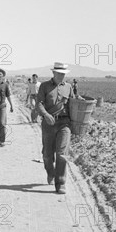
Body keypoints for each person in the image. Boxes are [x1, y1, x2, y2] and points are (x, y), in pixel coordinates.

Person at [35, 62, 74, 194]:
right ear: (53, 73)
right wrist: (45, 115)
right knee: (47, 155)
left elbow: (73, 103)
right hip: (48, 124)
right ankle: (50, 172)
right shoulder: (44, 86)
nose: (62, 76)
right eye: (59, 73)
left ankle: (61, 183)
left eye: (63, 74)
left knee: (62, 154)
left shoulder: (69, 87)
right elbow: (38, 104)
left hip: (64, 124)